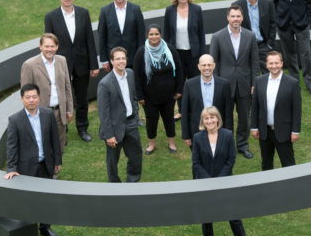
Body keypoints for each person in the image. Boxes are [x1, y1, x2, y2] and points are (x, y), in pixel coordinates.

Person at [192, 106, 260, 236]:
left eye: (212, 117)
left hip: (225, 181)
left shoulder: (228, 135)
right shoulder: (197, 138)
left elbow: (231, 159)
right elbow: (196, 163)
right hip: (205, 183)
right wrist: (210, 181)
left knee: (233, 214)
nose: (209, 121)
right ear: (203, 121)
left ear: (217, 119)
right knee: (207, 213)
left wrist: (219, 180)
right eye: (206, 118)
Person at [3, 84, 62, 236]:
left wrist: (57, 159)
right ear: (22, 99)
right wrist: (11, 168)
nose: (31, 100)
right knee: (28, 201)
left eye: (34, 97)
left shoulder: (48, 114)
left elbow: (54, 139)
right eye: (27, 97)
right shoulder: (15, 120)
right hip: (26, 167)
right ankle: (28, 231)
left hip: (46, 165)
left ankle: (45, 227)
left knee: (47, 198)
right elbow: (12, 146)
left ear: (39, 98)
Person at [44, 0, 99, 143]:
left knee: (82, 98)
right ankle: (63, 131)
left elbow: (89, 39)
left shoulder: (83, 13)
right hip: (60, 65)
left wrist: (93, 64)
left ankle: (82, 128)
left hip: (82, 63)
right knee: (62, 98)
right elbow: (49, 42)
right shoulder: (51, 17)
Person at [209, 4, 260, 159]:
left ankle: (243, 145)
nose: (236, 19)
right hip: (224, 84)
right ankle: (226, 145)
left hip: (244, 84)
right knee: (225, 118)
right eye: (233, 16)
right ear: (228, 18)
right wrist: (216, 84)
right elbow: (213, 63)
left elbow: (254, 62)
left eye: (238, 16)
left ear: (242, 18)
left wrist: (254, 82)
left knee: (244, 118)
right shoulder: (217, 37)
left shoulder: (250, 36)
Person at [133, 25, 184, 155]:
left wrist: (179, 90)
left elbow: (179, 70)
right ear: (147, 36)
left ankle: (171, 142)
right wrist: (140, 96)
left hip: (169, 95)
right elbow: (137, 76)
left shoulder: (170, 49)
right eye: (151, 34)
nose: (154, 37)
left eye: (156, 34)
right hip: (149, 97)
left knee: (169, 119)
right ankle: (151, 144)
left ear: (160, 35)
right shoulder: (141, 52)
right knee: (151, 120)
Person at [20, 33, 73, 154]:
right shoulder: (29, 65)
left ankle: (56, 168)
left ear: (57, 47)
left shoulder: (62, 60)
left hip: (59, 111)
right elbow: (26, 92)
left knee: (59, 143)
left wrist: (69, 109)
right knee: (43, 143)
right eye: (46, 46)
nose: (49, 49)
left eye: (52, 46)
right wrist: (31, 113)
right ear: (40, 46)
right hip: (40, 112)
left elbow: (67, 86)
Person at [97, 47, 142, 183]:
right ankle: (115, 186)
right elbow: (103, 113)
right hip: (114, 128)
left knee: (136, 156)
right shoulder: (104, 84)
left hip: (131, 123)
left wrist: (135, 115)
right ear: (111, 61)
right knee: (112, 162)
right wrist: (109, 134)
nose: (121, 61)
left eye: (123, 58)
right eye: (117, 59)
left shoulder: (130, 73)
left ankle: (132, 183)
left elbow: (133, 97)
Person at [250, 50, 302, 170]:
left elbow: (296, 110)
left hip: (284, 131)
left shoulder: (292, 83)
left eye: (276, 63)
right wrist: (254, 127)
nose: (274, 66)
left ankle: (291, 187)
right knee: (266, 163)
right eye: (271, 63)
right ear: (267, 64)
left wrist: (295, 131)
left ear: (282, 63)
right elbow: (255, 106)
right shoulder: (259, 81)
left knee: (288, 164)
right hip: (264, 131)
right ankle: (267, 187)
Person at [180, 54, 233, 148]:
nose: (207, 68)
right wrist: (186, 135)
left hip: (219, 130)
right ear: (199, 66)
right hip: (196, 131)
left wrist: (228, 134)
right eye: (204, 65)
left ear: (214, 65)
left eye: (209, 65)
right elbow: (184, 111)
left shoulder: (224, 84)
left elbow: (228, 112)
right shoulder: (189, 84)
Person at [162, 0, 206, 82]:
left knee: (195, 83)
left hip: (193, 55)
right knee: (179, 84)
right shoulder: (170, 10)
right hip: (177, 54)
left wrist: (202, 56)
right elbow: (167, 35)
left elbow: (201, 34)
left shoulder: (196, 9)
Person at [98, 0, 145, 69]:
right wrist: (104, 60)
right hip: (113, 60)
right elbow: (102, 36)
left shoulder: (135, 9)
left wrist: (141, 57)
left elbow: (141, 35)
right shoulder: (105, 11)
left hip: (133, 58)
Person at [235, 0, 276, 73]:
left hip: (264, 46)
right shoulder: (237, 6)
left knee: (269, 74)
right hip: (246, 47)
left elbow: (273, 24)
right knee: (251, 76)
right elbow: (235, 27)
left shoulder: (267, 3)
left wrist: (269, 45)